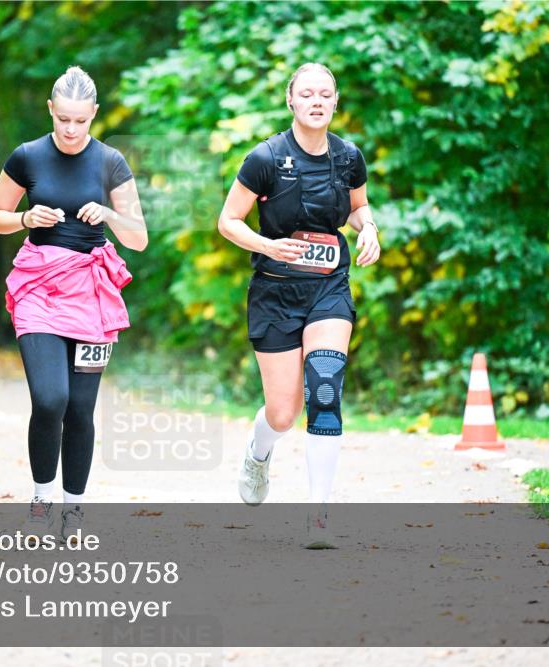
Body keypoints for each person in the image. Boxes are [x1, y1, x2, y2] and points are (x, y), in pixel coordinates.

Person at [217, 63, 381, 548]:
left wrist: (369, 228)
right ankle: (258, 453)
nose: (316, 101)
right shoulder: (265, 158)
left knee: (325, 389)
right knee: (283, 413)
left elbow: (358, 207)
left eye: (325, 94)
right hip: (275, 292)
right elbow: (228, 221)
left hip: (329, 287)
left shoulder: (348, 157)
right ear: (291, 100)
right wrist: (267, 246)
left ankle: (318, 514)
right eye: (306, 93)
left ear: (335, 101)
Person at [0, 66, 147, 540]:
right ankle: (41, 499)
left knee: (79, 409)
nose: (71, 129)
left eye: (81, 120)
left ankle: (74, 509)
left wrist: (110, 213)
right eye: (63, 119)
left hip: (92, 294)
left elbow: (138, 238)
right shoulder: (27, 156)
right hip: (38, 286)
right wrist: (24, 218)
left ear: (94, 113)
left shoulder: (111, 162)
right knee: (50, 399)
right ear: (51, 110)